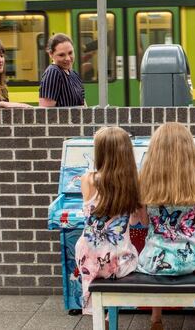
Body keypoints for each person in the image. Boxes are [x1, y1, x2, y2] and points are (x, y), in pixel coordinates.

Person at [136, 122, 195, 330]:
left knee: (158, 247)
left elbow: (144, 222)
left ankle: (156, 319)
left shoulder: (145, 180)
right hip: (192, 260)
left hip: (154, 261)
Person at [74, 126, 141, 319]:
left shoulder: (87, 179)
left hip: (89, 260)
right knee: (133, 255)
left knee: (90, 252)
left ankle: (98, 314)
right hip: (119, 263)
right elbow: (138, 220)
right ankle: (111, 310)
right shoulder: (133, 182)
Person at [39, 33, 86, 107]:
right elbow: (45, 112)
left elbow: (83, 105)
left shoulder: (74, 74)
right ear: (51, 54)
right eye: (61, 55)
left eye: (70, 53)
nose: (68, 58)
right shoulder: (53, 73)